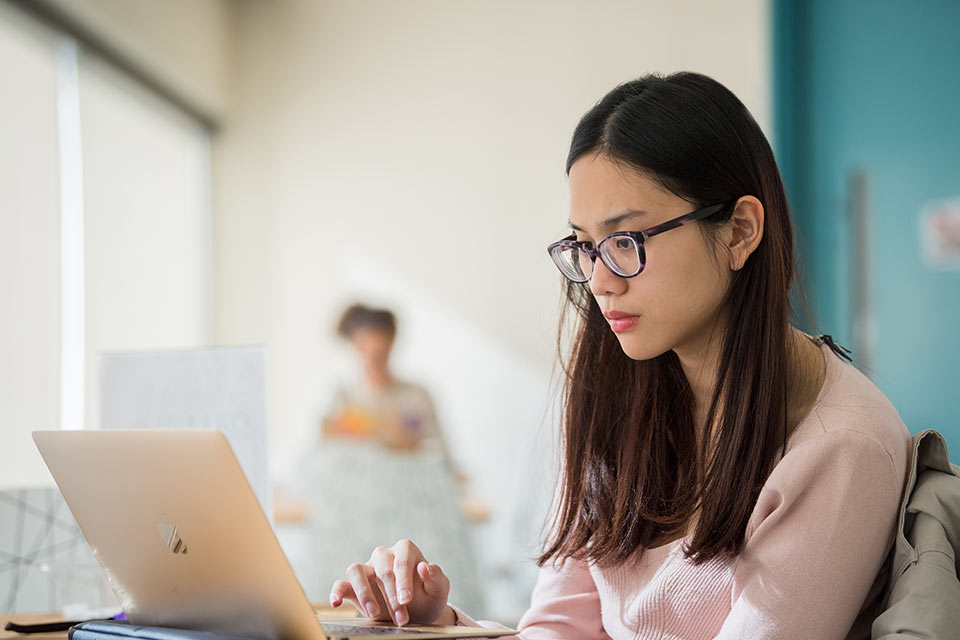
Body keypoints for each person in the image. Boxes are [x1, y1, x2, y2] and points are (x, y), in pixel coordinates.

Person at [327, 72, 913, 639]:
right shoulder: (621, 397)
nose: (600, 280)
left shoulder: (843, 446)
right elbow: (559, 628)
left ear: (739, 230)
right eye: (584, 247)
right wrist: (438, 627)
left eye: (626, 240)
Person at [321, 303, 451, 457]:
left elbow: (439, 452)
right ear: (355, 345)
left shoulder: (416, 396)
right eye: (366, 349)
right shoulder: (340, 398)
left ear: (392, 343)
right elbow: (324, 447)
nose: (374, 358)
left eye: (381, 352)